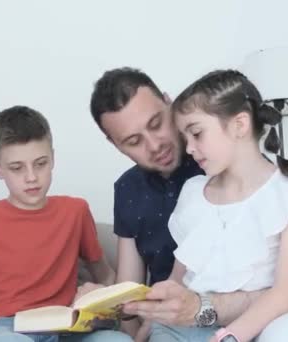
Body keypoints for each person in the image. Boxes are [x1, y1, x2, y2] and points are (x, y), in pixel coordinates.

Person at [144, 69, 288, 341]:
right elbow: (178, 277)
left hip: (253, 326)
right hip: (182, 328)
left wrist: (230, 336)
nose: (190, 148)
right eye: (185, 139)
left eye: (197, 134)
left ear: (239, 125)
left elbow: (285, 293)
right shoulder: (193, 192)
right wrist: (150, 315)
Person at [0, 105, 131, 342]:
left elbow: (104, 274)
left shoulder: (75, 211)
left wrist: (104, 296)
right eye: (17, 168)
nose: (31, 177)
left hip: (65, 326)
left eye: (40, 163)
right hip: (2, 328)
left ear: (53, 159)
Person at [83, 67, 203, 339]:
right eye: (134, 141)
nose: (154, 145)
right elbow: (129, 287)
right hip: (168, 325)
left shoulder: (215, 158)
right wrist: (107, 303)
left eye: (156, 124)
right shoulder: (127, 189)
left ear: (169, 102)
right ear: (115, 144)